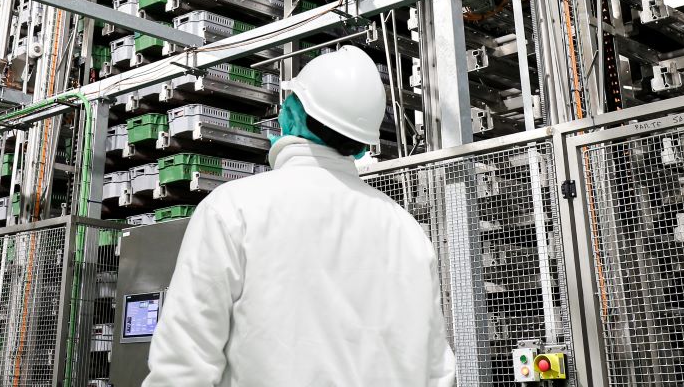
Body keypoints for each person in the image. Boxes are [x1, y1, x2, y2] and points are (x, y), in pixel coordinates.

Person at [143, 45, 457, 387]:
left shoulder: (234, 209)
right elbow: (438, 372)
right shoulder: (408, 232)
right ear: (363, 143)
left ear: (293, 112)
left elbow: (183, 365)